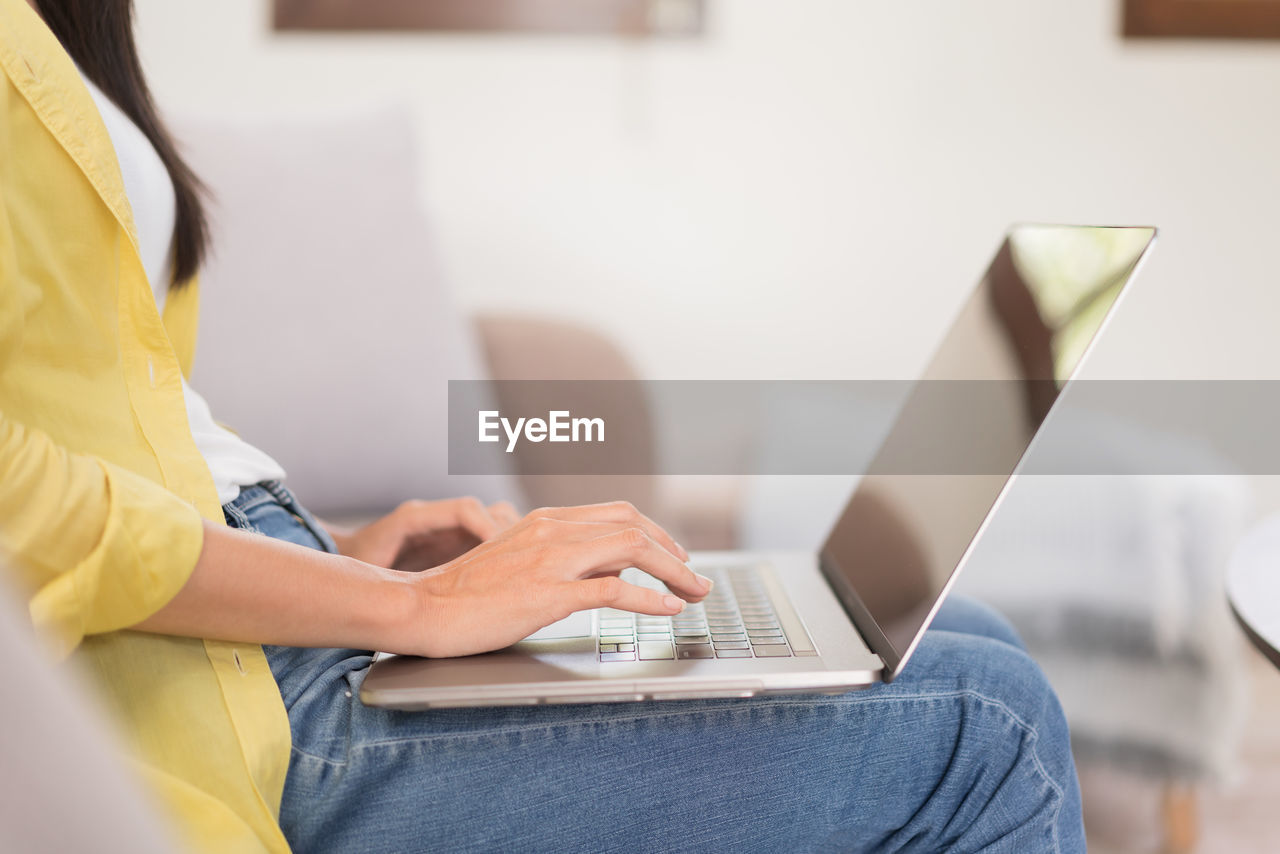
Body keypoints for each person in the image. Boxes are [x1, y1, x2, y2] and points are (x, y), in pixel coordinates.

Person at [0, 0, 1085, 850]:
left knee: (958, 638)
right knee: (991, 723)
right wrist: (409, 601)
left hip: (263, 612)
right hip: (231, 705)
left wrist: (335, 552)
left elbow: (126, 420)